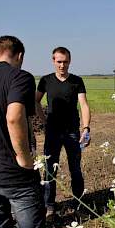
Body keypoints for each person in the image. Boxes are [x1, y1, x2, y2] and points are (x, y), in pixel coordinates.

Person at [0, 36, 46, 228]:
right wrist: (24, 158)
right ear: (20, 56)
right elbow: (14, 118)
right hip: (16, 176)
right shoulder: (20, 77)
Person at [36, 47, 91, 217]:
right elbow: (35, 101)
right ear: (53, 61)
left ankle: (78, 202)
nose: (62, 65)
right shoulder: (45, 80)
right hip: (53, 132)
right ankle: (49, 205)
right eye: (59, 61)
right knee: (49, 169)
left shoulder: (76, 81)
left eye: (65, 61)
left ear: (70, 61)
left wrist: (86, 128)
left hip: (72, 132)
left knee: (75, 168)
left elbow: (83, 105)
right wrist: (44, 122)